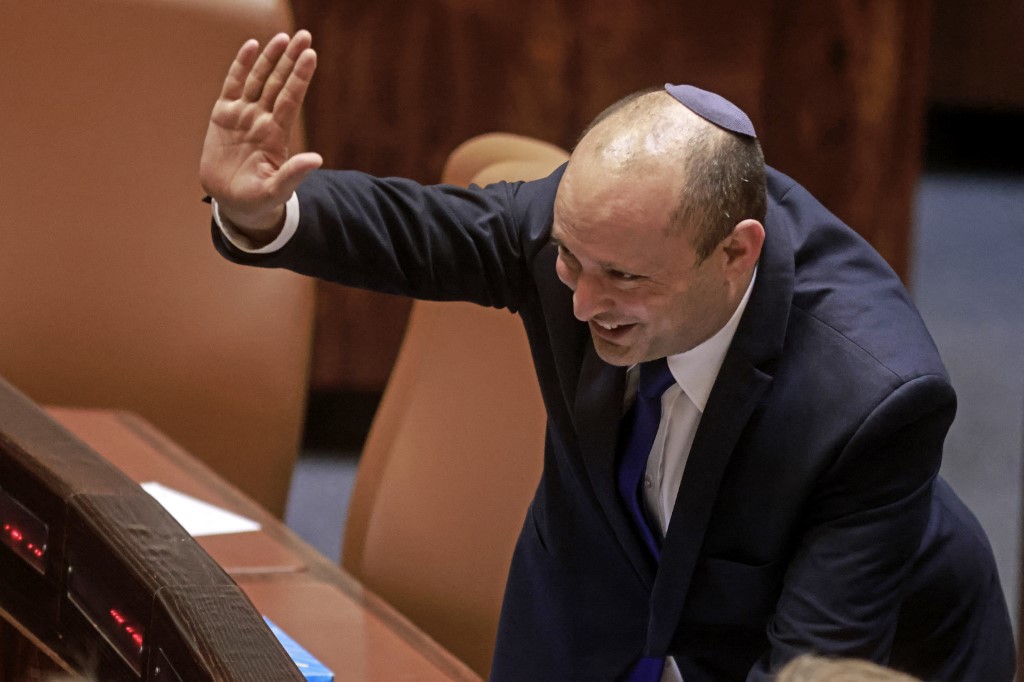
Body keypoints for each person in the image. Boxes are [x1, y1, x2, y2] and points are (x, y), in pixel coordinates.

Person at [199, 31, 1015, 681]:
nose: (583, 304)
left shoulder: (872, 400)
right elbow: (428, 231)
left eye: (623, 279)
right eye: (568, 263)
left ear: (736, 254)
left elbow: (809, 662)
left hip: (847, 651)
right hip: (598, 598)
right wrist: (268, 214)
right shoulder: (585, 237)